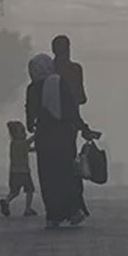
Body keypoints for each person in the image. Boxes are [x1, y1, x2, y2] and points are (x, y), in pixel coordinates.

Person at [26, 53, 95, 229]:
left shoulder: (32, 88)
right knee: (66, 174)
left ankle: (53, 214)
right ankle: (72, 211)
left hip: (44, 138)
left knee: (48, 177)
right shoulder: (59, 83)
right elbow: (71, 108)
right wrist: (83, 128)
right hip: (63, 136)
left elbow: (30, 117)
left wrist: (33, 124)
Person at [0, 120, 39, 218]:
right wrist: (38, 134)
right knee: (30, 190)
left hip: (13, 172)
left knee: (14, 192)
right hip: (24, 172)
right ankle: (27, 209)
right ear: (16, 134)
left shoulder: (14, 144)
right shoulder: (21, 144)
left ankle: (6, 201)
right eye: (23, 132)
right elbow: (28, 143)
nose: (25, 134)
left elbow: (28, 149)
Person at [51, 35, 87, 106]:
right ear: (68, 49)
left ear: (53, 50)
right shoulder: (75, 69)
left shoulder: (48, 69)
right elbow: (81, 98)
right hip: (72, 114)